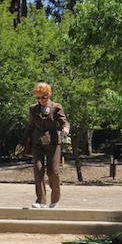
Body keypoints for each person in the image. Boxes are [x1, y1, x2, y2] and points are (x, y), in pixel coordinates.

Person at [15, 81, 71, 209]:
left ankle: (55, 199)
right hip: (37, 143)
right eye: (38, 98)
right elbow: (30, 127)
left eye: (43, 97)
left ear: (48, 95)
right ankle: (41, 200)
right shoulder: (33, 109)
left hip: (53, 143)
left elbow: (64, 122)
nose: (41, 100)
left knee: (53, 172)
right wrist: (21, 142)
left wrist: (66, 129)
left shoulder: (56, 107)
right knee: (38, 170)